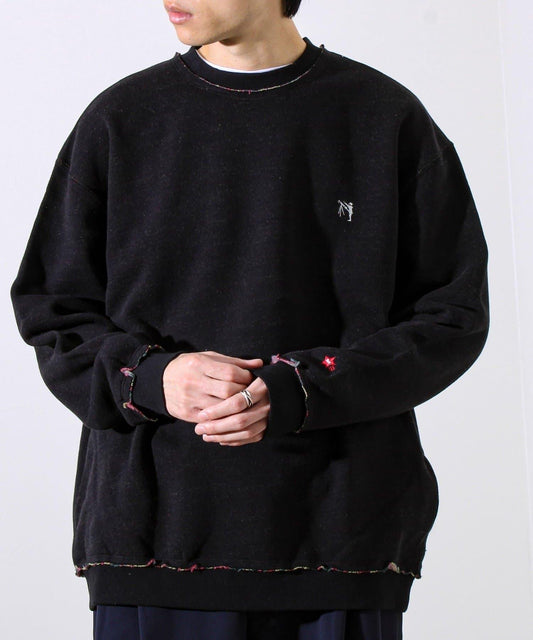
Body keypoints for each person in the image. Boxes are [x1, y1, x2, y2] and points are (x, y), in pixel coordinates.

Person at [9, 0, 490, 638]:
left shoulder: (383, 117)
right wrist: (151, 377)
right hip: (156, 536)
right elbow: (53, 311)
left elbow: (452, 316)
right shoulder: (120, 120)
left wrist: (306, 388)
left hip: (339, 537)